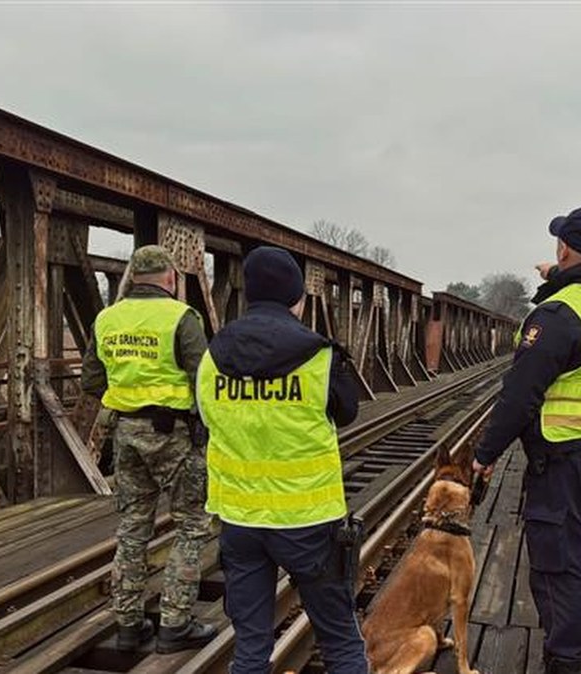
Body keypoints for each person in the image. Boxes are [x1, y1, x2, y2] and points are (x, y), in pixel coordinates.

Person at [472, 207, 581, 674]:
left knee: (558, 574)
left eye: (558, 245)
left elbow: (518, 399)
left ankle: (565, 665)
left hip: (565, 467)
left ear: (565, 249)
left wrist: (484, 456)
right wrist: (560, 279)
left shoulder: (555, 319)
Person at [196, 246, 368, 674]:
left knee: (251, 646)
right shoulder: (320, 356)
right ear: (299, 299)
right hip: (308, 521)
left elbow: (204, 422)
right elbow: (347, 411)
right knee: (341, 641)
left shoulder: (212, 358)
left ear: (249, 295)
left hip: (241, 520)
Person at [80, 244, 218, 653]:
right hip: (173, 434)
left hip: (125, 434)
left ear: (133, 278)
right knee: (192, 524)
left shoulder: (107, 319)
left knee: (132, 529)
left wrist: (129, 396)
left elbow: (91, 381)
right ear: (171, 279)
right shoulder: (181, 317)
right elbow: (204, 379)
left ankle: (128, 624)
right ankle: (175, 624)